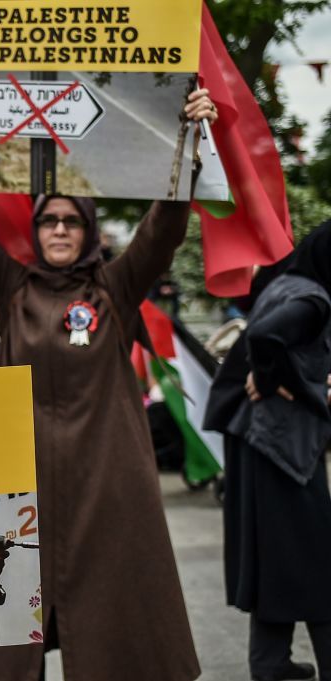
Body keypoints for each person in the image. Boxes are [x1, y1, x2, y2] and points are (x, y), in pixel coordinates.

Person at [0, 89, 218, 681]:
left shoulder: (115, 289)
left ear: (88, 229)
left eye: (71, 220)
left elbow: (164, 228)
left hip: (106, 484)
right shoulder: (11, 288)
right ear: (36, 227)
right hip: (22, 487)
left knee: (111, 637)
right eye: (48, 219)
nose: (58, 229)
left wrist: (187, 142)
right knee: (13, 640)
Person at [205, 222, 331, 681]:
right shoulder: (313, 299)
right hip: (281, 449)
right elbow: (266, 340)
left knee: (277, 558)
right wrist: (292, 385)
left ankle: (271, 663)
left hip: (261, 444)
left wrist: (275, 374)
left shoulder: (286, 286)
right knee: (320, 562)